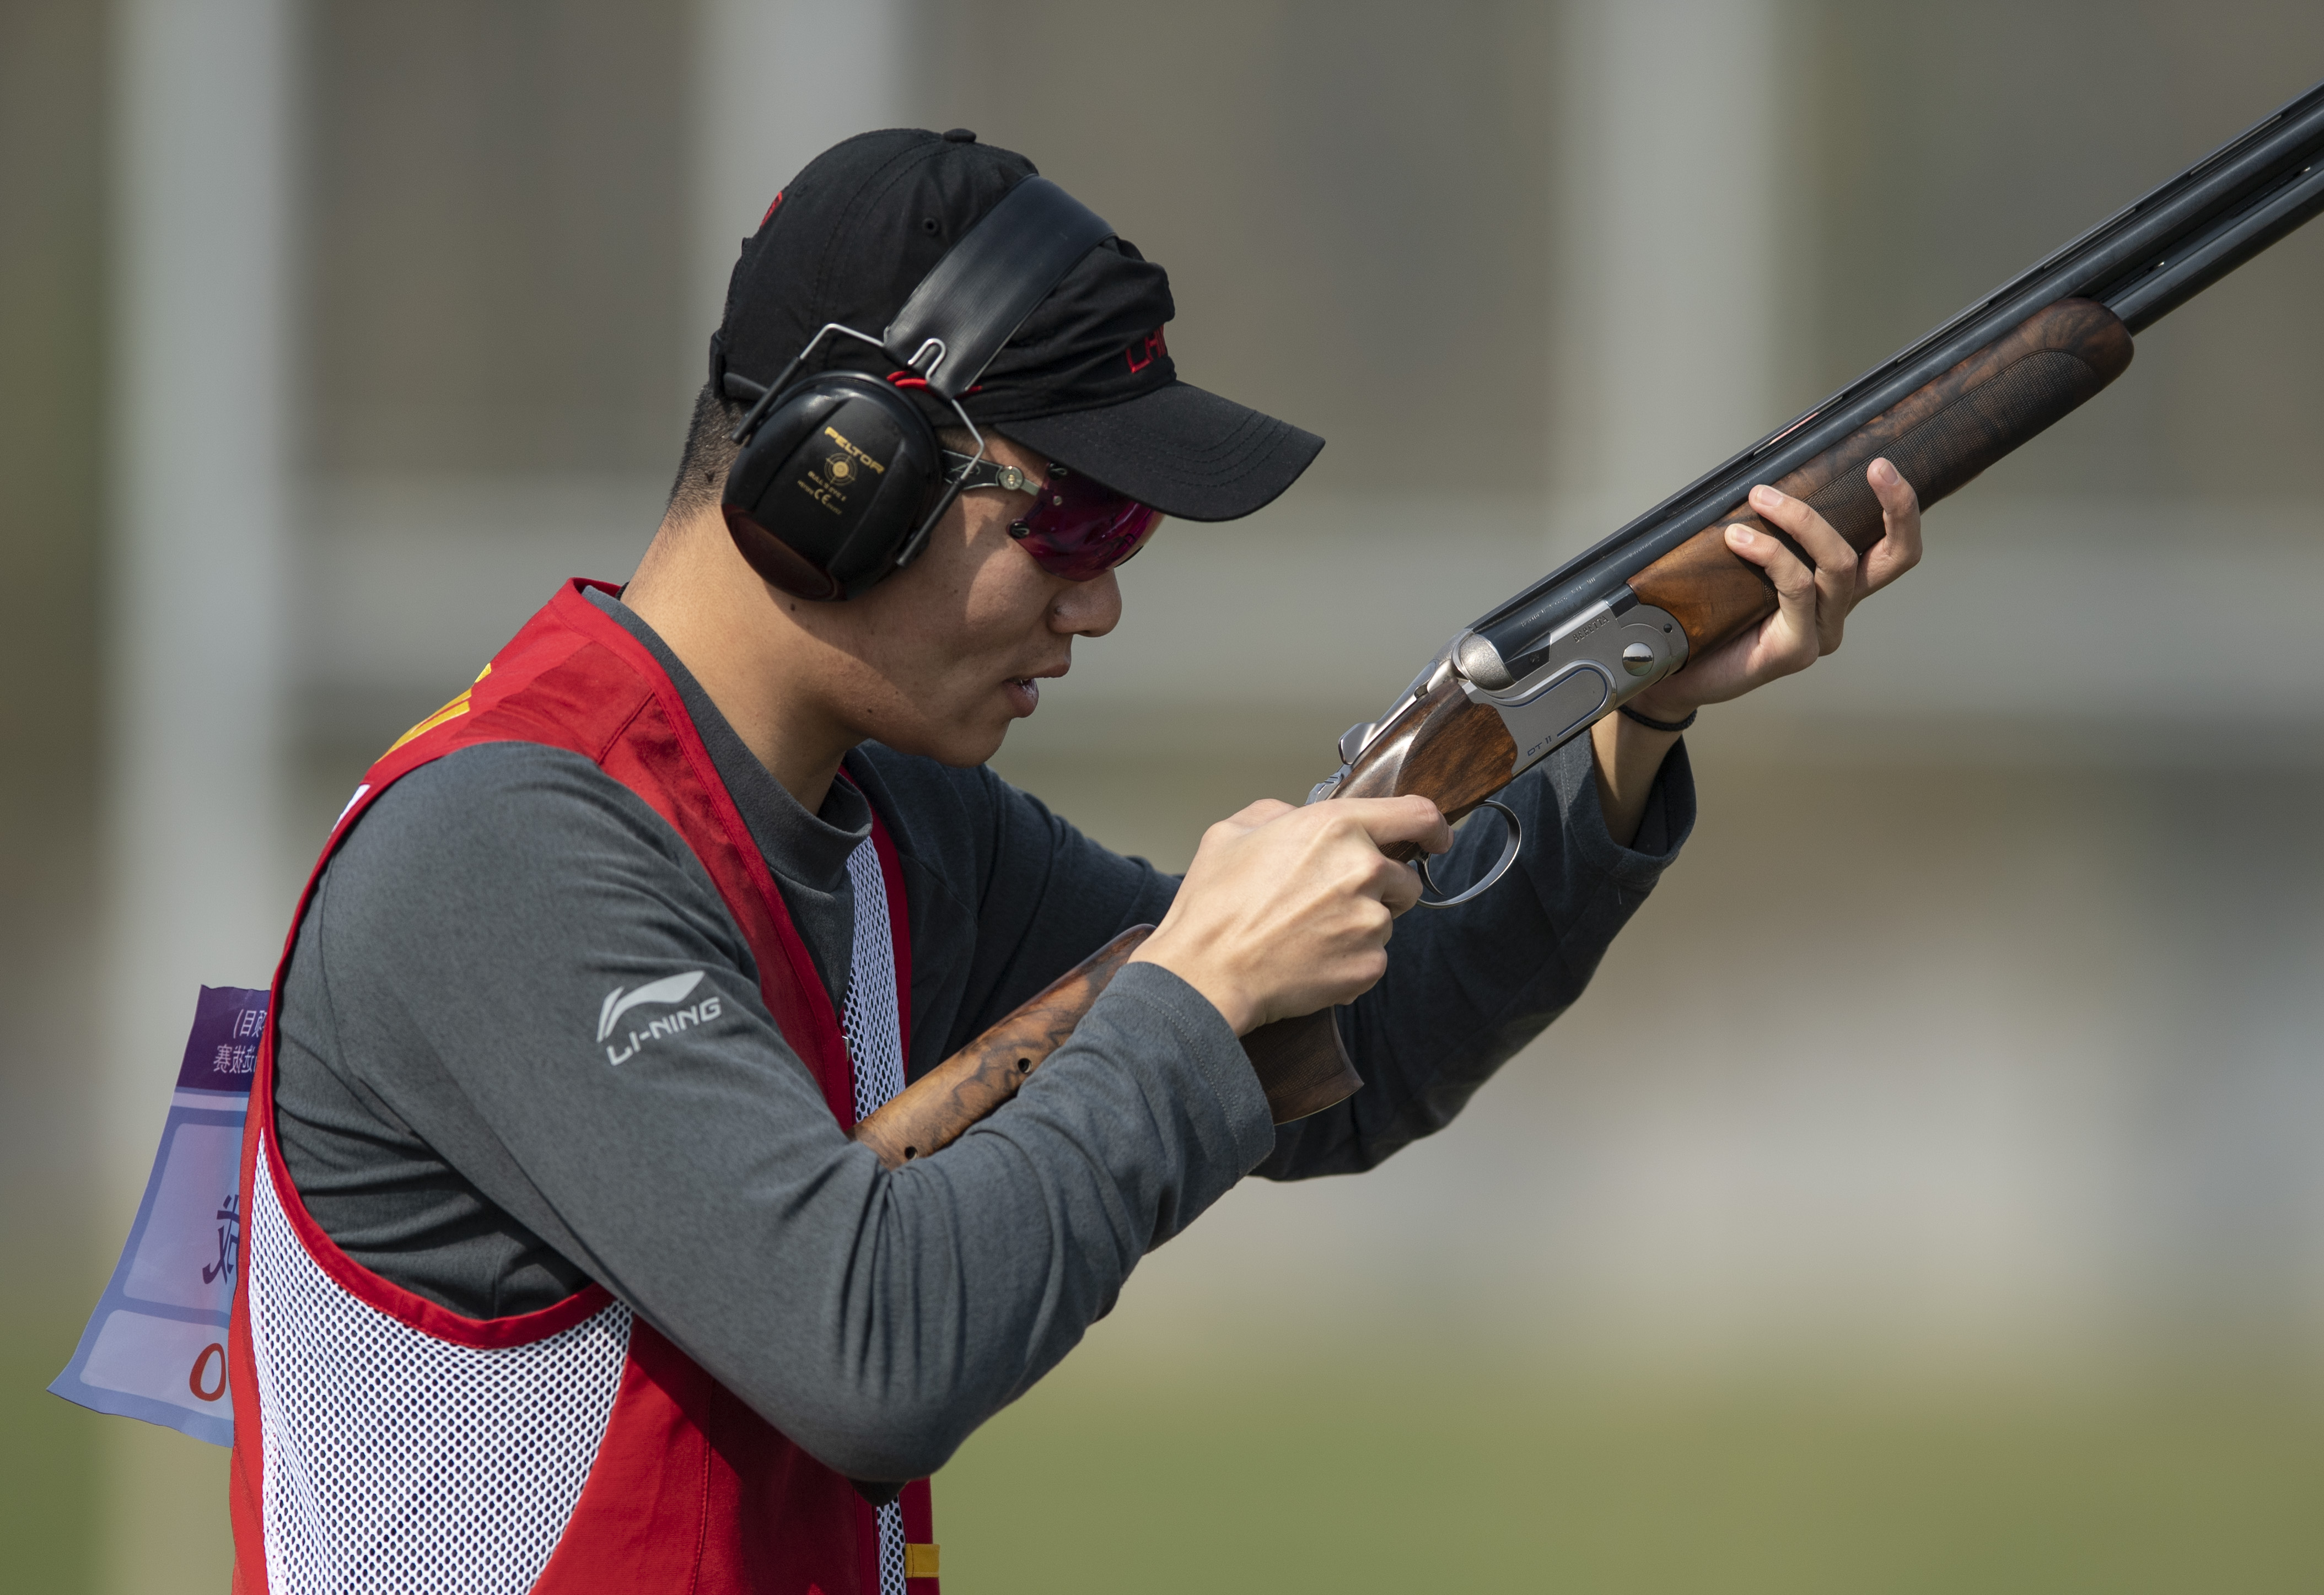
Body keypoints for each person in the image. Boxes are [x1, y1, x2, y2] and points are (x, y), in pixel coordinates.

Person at [225, 128, 1922, 1594]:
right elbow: (869, 1348)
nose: (1100, 598)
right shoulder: (505, 849)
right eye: (1073, 519)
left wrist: (1634, 712)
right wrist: (1187, 996)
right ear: (844, 474)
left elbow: (1367, 1055)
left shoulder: (896, 824)